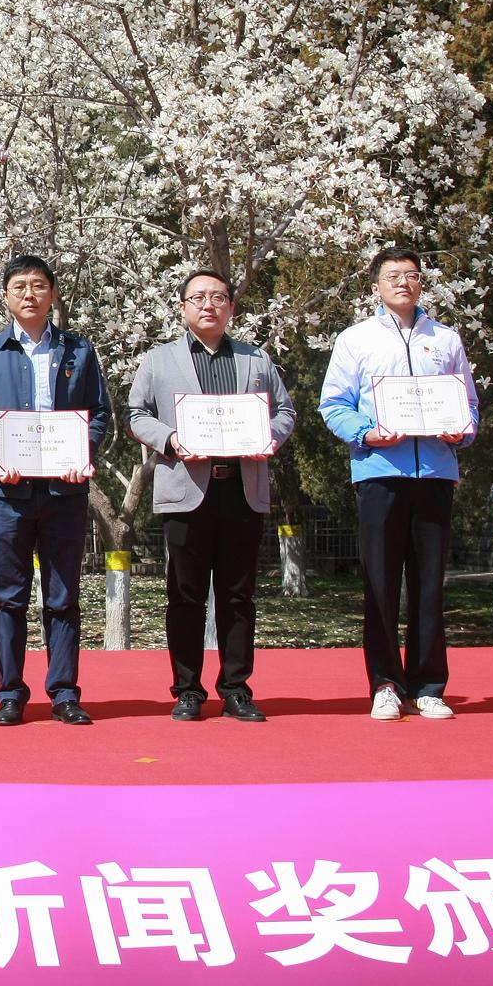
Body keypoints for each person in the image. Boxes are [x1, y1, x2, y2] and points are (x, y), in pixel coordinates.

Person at [317, 246, 479, 721]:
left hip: (435, 474)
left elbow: (468, 403)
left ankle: (428, 685)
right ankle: (386, 683)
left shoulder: (446, 339)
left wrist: (462, 431)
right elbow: (334, 405)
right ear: (376, 288)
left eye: (411, 274)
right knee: (381, 584)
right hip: (379, 474)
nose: (403, 282)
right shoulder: (356, 340)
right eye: (393, 276)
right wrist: (366, 433)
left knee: (429, 586)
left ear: (421, 283)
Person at [127, 271, 296, 722]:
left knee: (238, 596)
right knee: (185, 596)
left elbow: (285, 411)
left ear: (231, 308)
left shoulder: (256, 359)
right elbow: (136, 414)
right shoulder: (158, 360)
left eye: (219, 297)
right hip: (186, 491)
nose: (209, 305)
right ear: (183, 306)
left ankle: (236, 689)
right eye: (198, 297)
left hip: (242, 489)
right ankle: (187, 689)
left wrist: (270, 437)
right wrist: (170, 439)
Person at [0, 255, 111, 726]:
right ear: (6, 296)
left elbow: (100, 413)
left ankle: (64, 693)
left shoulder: (79, 351)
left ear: (53, 294)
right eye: (20, 286)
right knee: (9, 595)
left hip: (66, 492)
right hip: (9, 494)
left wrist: (82, 451)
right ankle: (10, 693)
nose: (30, 294)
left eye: (39, 285)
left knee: (63, 596)